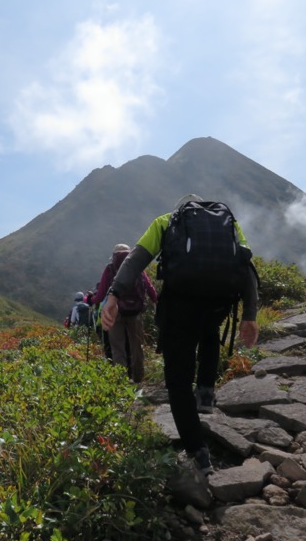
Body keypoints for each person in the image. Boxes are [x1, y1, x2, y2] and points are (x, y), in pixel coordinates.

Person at [101, 195, 259, 475]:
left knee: (178, 378)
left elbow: (136, 260)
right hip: (218, 304)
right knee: (210, 335)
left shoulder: (166, 222)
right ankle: (207, 395)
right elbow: (246, 267)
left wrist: (113, 294)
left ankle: (198, 451)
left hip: (179, 307)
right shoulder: (229, 225)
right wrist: (250, 314)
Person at [89, 244, 157, 383]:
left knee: (117, 347)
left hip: (116, 312)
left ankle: (121, 382)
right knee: (137, 346)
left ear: (114, 255)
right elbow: (149, 288)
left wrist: (91, 300)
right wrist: (156, 300)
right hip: (135, 312)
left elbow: (101, 294)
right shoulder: (136, 266)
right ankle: (138, 379)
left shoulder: (110, 269)